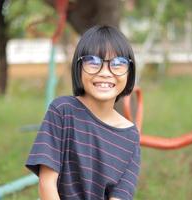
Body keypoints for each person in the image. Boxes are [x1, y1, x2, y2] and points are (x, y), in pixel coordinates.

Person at [25, 25, 141, 200]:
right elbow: (46, 183)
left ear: (129, 72)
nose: (105, 73)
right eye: (94, 62)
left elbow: (119, 197)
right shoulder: (62, 111)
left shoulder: (130, 136)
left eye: (118, 64)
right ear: (78, 67)